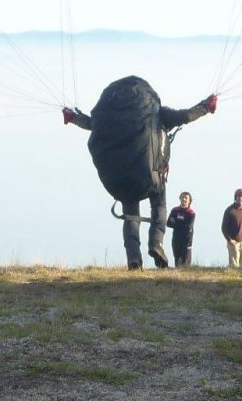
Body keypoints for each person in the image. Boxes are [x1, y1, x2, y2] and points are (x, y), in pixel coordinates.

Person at [63, 76, 216, 270]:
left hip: (122, 178)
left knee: (131, 216)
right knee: (159, 207)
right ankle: (156, 243)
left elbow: (92, 123)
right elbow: (185, 116)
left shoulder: (110, 118)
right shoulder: (157, 112)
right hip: (151, 175)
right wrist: (206, 106)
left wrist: (72, 117)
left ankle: (133, 258)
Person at [221, 188, 242, 268]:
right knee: (234, 267)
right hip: (233, 243)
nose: (241, 199)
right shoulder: (229, 210)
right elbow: (223, 228)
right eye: (239, 196)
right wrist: (229, 240)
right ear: (235, 197)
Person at [166, 191, 195, 267]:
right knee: (177, 258)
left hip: (186, 239)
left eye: (186, 198)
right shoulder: (175, 210)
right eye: (182, 197)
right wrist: (182, 224)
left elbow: (188, 227)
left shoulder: (191, 213)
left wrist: (176, 223)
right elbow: (168, 223)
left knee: (185, 260)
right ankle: (177, 272)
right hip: (176, 238)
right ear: (180, 199)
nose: (184, 199)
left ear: (189, 201)